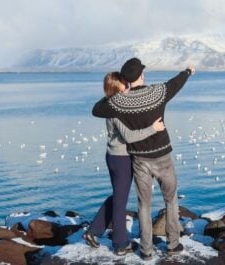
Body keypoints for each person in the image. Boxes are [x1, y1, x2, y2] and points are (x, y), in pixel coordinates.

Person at [92, 58, 195, 260]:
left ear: (126, 79)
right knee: (171, 200)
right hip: (162, 156)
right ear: (142, 75)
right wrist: (188, 71)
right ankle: (172, 244)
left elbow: (96, 110)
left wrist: (115, 95)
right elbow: (176, 84)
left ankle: (146, 251)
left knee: (144, 205)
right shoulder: (158, 92)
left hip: (139, 159)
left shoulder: (119, 102)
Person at [84, 71, 166, 256]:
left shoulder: (111, 105)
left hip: (113, 156)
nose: (129, 87)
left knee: (117, 197)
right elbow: (129, 136)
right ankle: (120, 245)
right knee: (120, 202)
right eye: (125, 85)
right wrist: (153, 128)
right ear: (116, 88)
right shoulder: (116, 109)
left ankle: (93, 231)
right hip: (121, 159)